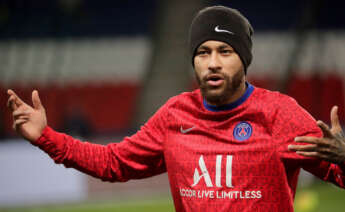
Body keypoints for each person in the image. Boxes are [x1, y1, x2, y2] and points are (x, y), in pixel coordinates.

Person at [7, 5, 345, 212]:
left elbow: (338, 176)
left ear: (244, 59)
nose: (212, 63)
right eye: (203, 52)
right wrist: (45, 137)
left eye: (225, 51)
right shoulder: (175, 116)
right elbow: (113, 163)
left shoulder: (279, 114)